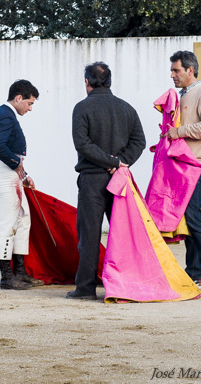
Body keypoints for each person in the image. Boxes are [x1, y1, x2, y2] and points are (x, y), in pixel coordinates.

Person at [67, 62, 146, 300]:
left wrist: (109, 162)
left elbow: (82, 144)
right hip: (119, 179)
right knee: (123, 235)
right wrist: (120, 162)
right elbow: (139, 142)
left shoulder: (82, 108)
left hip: (92, 179)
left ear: (87, 82)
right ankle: (127, 284)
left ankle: (85, 288)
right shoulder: (127, 108)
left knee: (89, 236)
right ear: (110, 81)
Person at [165, 50, 201, 293]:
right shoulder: (185, 94)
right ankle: (194, 272)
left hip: (197, 164)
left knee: (192, 216)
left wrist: (178, 132)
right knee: (188, 218)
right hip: (185, 164)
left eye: (176, 70)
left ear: (190, 70)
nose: (172, 75)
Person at [0, 79, 44, 290]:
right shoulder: (4, 116)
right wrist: (15, 163)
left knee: (23, 221)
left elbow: (6, 149)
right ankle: (7, 278)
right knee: (7, 225)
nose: (29, 109)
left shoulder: (4, 115)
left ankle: (19, 273)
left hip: (12, 176)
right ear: (19, 98)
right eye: (29, 103)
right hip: (6, 176)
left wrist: (24, 174)